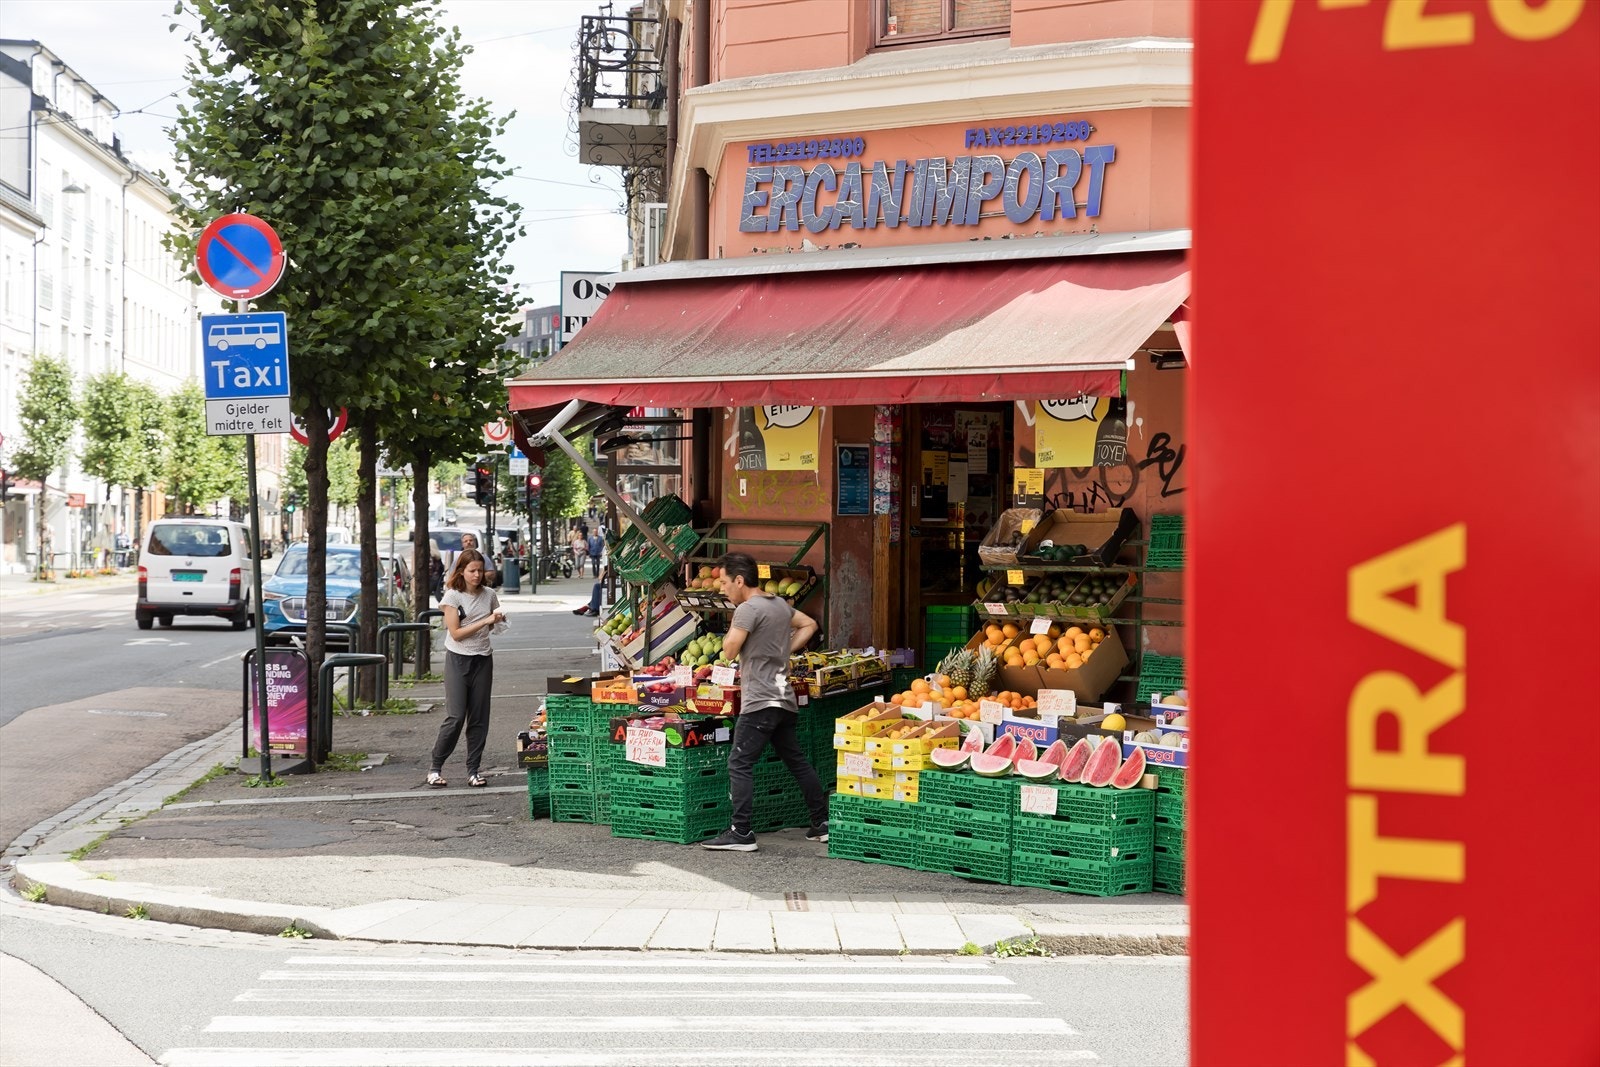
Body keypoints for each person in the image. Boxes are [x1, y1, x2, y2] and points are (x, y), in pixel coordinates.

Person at [700, 551, 829, 852]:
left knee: (740, 762)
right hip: (783, 699)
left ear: (740, 580)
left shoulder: (746, 610)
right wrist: (784, 651)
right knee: (797, 761)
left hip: (760, 700)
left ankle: (741, 832)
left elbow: (729, 651)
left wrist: (736, 630)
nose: (722, 589)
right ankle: (821, 822)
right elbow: (809, 624)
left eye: (724, 582)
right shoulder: (780, 605)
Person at [428, 548, 504, 789]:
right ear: (461, 571)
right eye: (472, 570)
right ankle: (435, 767)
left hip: (483, 659)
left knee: (479, 718)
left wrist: (496, 621)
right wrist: (485, 621)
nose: (477, 575)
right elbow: (457, 634)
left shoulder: (490, 594)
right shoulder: (453, 596)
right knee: (456, 716)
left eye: (480, 570)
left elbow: (491, 627)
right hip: (458, 659)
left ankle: (473, 770)